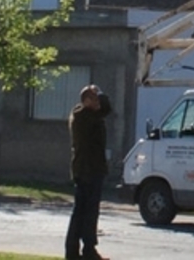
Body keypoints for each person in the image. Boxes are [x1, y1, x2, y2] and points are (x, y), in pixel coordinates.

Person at [65, 84, 112, 260]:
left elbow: (105, 109)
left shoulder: (88, 115)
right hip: (87, 170)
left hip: (91, 169)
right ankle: (78, 251)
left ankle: (85, 249)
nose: (98, 102)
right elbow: (106, 109)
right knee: (84, 212)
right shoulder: (83, 117)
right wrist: (100, 92)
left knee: (87, 212)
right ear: (86, 101)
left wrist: (98, 93)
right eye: (95, 99)